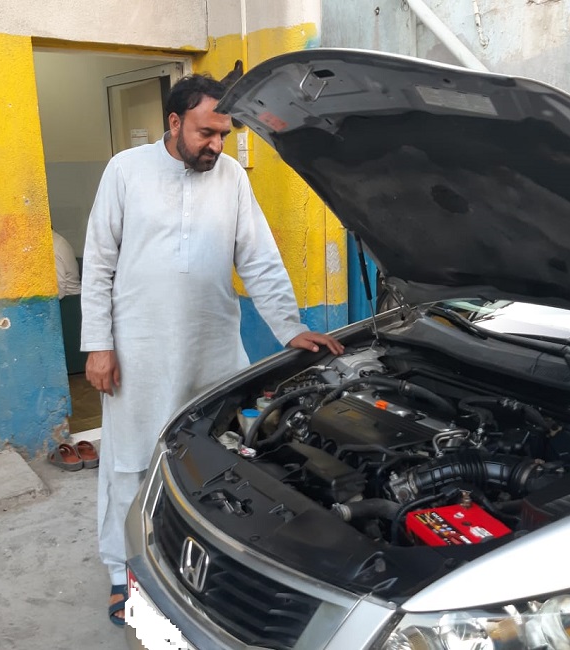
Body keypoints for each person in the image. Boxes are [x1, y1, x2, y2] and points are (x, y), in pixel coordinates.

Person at [80, 73, 343, 626]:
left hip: (212, 347)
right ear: (174, 122)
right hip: (139, 349)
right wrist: (99, 345)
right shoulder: (125, 170)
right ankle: (122, 572)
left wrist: (289, 327)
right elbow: (99, 262)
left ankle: (203, 562)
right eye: (206, 133)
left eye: (224, 134)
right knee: (130, 463)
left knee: (215, 458)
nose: (217, 145)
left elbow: (259, 257)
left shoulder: (231, 179)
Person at [51, 229, 81, 299]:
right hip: (71, 296)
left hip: (67, 299)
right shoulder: (58, 240)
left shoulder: (52, 247)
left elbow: (59, 290)